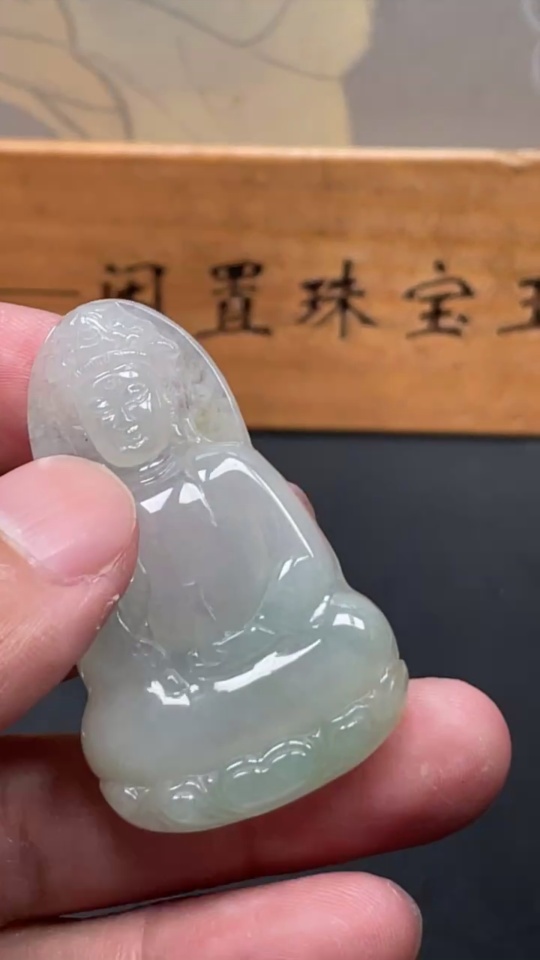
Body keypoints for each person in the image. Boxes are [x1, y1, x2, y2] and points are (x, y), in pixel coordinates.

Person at [0, 302, 511, 958]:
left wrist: (263, 626)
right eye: (103, 406)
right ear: (84, 427)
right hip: (186, 688)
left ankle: (236, 755)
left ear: (167, 397)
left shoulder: (228, 472)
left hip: (276, 646)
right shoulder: (105, 519)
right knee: (124, 731)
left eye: (133, 393)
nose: (123, 415)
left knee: (351, 632)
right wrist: (170, 670)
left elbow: (306, 569)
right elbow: (118, 653)